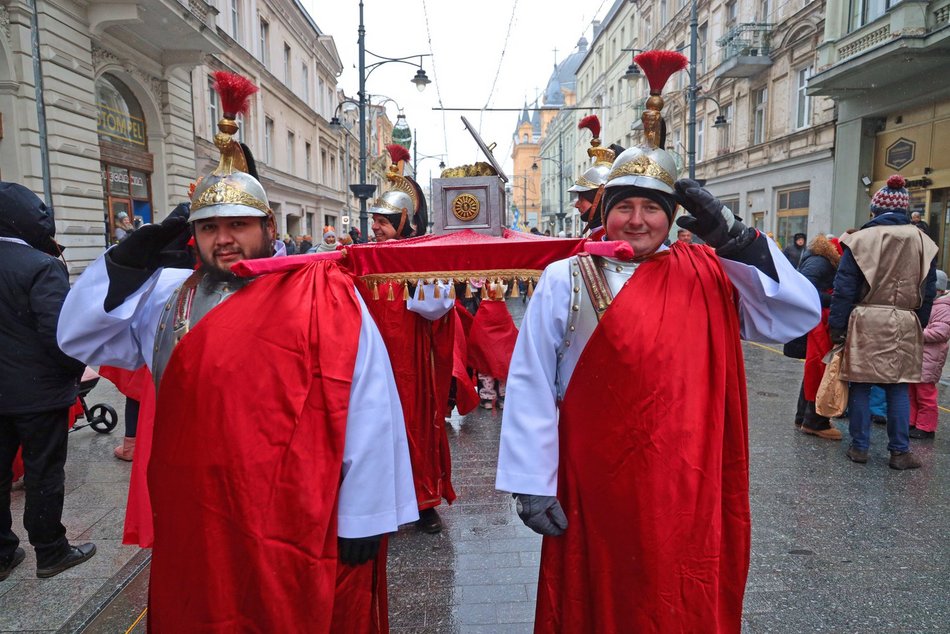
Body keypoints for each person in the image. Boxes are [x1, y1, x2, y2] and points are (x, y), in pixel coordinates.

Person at [57, 72, 416, 630]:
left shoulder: (322, 294)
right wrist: (127, 261)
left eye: (238, 224)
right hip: (195, 508)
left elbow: (368, 405)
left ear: (268, 226)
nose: (224, 239)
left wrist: (367, 511)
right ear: (191, 235)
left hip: (294, 509)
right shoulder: (168, 297)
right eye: (209, 228)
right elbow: (79, 338)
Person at [495, 50, 821, 633]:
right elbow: (531, 381)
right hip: (597, 478)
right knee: (602, 594)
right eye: (625, 206)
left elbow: (795, 314)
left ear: (672, 216)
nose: (638, 219)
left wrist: (736, 238)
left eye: (652, 207)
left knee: (676, 593)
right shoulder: (567, 277)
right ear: (605, 212)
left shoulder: (710, 270)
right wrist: (530, 482)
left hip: (687, 480)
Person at [362, 144, 467, 534]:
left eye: (384, 222)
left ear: (404, 222)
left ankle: (423, 503)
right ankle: (378, 503)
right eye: (375, 221)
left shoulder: (422, 256)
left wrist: (415, 269)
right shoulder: (363, 257)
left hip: (410, 368)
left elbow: (436, 308)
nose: (376, 228)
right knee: (372, 432)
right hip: (371, 365)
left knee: (415, 429)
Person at [0, 182, 97, 581]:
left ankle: (2, 554)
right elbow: (61, 335)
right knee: (43, 472)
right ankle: (51, 550)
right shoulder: (41, 265)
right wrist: (74, 372)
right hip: (38, 393)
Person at [829, 174, 937, 470]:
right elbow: (928, 291)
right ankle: (900, 452)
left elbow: (844, 287)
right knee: (898, 387)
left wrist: (837, 326)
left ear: (875, 210)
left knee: (861, 385)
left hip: (865, 319)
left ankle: (859, 447)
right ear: (904, 210)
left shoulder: (860, 240)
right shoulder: (924, 242)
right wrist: (919, 322)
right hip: (905, 319)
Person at [796, 234, 845, 440]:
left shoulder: (820, 258)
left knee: (815, 367)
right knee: (819, 368)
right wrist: (835, 299)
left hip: (817, 319)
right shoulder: (821, 261)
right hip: (819, 321)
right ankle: (814, 422)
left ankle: (804, 417)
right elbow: (805, 290)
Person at [910, 269, 949, 440]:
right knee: (912, 391)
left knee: (925, 394)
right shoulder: (927, 305)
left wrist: (916, 332)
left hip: (930, 358)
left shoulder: (943, 308)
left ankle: (926, 426)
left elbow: (941, 332)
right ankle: (912, 421)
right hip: (919, 356)